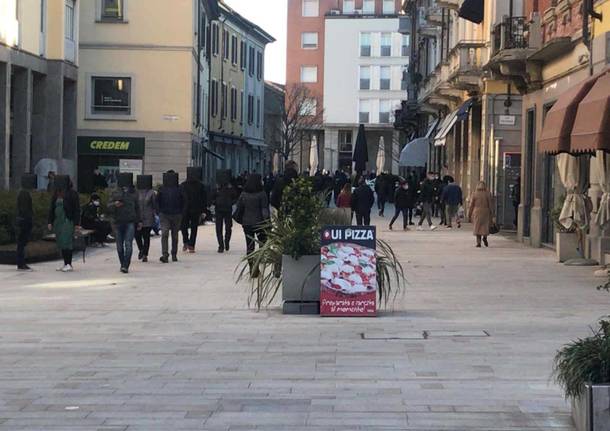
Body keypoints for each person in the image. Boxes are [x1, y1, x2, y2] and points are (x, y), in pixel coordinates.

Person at [236, 174, 269, 277]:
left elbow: (239, 206)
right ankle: (257, 265)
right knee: (262, 245)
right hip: (260, 223)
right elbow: (264, 210)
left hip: (247, 223)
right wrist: (268, 222)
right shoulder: (262, 194)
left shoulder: (244, 194)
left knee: (249, 246)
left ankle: (252, 269)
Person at [107, 174, 141, 274]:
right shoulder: (115, 192)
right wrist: (115, 205)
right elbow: (108, 206)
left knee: (128, 244)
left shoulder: (134, 193)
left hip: (130, 221)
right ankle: (122, 263)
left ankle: (126, 265)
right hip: (117, 222)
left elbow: (137, 208)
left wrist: (139, 221)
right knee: (119, 246)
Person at [48, 176, 80, 272]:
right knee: (61, 241)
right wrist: (50, 221)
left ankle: (69, 263)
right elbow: (51, 209)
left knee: (67, 241)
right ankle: (65, 263)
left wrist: (77, 223)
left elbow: (77, 209)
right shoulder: (56, 194)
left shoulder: (72, 194)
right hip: (58, 221)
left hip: (67, 221)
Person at [158, 171, 185, 263]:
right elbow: (157, 200)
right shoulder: (162, 189)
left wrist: (181, 212)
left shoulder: (179, 189)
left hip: (176, 214)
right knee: (165, 233)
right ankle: (165, 254)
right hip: (165, 214)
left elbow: (184, 200)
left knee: (174, 235)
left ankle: (174, 253)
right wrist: (159, 211)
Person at [180, 168, 207, 253]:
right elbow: (203, 199)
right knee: (194, 228)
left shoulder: (183, 185)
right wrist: (203, 210)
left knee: (184, 226)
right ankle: (191, 245)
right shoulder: (200, 185)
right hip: (195, 209)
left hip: (185, 209)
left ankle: (186, 241)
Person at [16, 174, 36, 271]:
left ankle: (21, 262)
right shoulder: (24, 194)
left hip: (23, 220)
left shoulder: (22, 193)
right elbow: (25, 209)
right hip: (24, 221)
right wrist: (29, 218)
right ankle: (21, 263)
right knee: (21, 243)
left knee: (22, 243)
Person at [135, 175, 156, 263]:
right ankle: (141, 249)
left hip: (148, 217)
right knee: (137, 235)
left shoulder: (151, 193)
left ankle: (145, 254)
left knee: (146, 236)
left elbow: (154, 205)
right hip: (138, 217)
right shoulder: (136, 192)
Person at [213, 179, 236, 253]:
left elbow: (211, 197)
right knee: (228, 227)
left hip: (219, 209)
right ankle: (226, 242)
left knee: (219, 228)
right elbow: (235, 196)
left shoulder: (217, 188)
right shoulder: (230, 188)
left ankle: (221, 245)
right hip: (227, 209)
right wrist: (231, 203)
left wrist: (215, 202)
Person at [469, 181, 494, 248]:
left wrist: (470, 213)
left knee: (477, 227)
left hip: (477, 211)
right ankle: (485, 237)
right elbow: (490, 204)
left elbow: (471, 205)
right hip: (486, 211)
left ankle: (478, 242)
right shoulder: (488, 194)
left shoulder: (474, 194)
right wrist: (492, 213)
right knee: (485, 226)